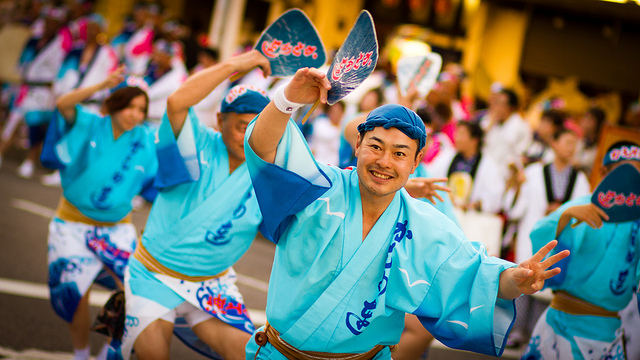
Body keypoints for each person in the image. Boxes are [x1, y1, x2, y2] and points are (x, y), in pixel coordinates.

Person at [244, 67, 569, 359]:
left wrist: (515, 278)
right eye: (375, 146)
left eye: (399, 154)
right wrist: (287, 100)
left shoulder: (424, 225)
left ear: (415, 163)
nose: (385, 161)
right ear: (358, 145)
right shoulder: (319, 187)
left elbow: (477, 275)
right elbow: (265, 149)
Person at [116, 50, 271, 360]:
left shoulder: (269, 170)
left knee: (253, 356)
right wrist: (236, 64)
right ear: (219, 120)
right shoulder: (197, 144)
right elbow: (176, 103)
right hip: (154, 275)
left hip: (212, 284)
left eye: (258, 127)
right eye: (242, 126)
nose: (249, 136)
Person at [44, 69, 158, 360]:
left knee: (133, 293)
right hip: (73, 224)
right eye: (130, 106)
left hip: (116, 229)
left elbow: (160, 179)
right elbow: (63, 104)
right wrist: (101, 84)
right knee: (75, 292)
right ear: (115, 104)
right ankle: (81, 354)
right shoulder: (91, 125)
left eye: (141, 109)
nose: (135, 114)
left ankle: (109, 351)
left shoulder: (145, 140)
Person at [521, 140, 640, 360]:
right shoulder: (581, 206)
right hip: (560, 324)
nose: (630, 181)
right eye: (623, 172)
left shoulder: (638, 221)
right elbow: (542, 233)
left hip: (608, 332)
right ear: (604, 173)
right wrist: (565, 217)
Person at [502, 128, 591, 348]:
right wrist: (518, 185)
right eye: (567, 142)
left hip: (561, 240)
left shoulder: (579, 179)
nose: (571, 148)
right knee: (525, 278)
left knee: (548, 286)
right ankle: (516, 332)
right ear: (554, 143)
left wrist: (563, 212)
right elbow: (514, 210)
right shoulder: (533, 172)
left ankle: (537, 335)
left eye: (575, 144)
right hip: (533, 234)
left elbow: (586, 211)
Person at [0, 6, 69, 177]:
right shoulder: (33, 41)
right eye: (47, 22)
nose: (49, 26)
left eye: (53, 23)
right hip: (25, 88)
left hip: (43, 91)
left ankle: (30, 161)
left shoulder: (60, 46)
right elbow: (23, 62)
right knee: (12, 121)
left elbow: (59, 72)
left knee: (35, 127)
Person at [431, 121, 504, 213]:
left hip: (471, 217)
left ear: (474, 140)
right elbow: (431, 176)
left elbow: (494, 197)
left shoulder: (489, 166)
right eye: (456, 133)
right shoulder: (447, 156)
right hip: (445, 209)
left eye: (461, 134)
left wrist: (473, 205)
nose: (456, 138)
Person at [480, 88, 532, 180]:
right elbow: (480, 142)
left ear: (510, 107)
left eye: (499, 103)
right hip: (485, 172)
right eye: (495, 102)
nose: (495, 106)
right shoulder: (489, 121)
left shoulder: (521, 126)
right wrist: (490, 124)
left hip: (506, 176)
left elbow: (521, 154)